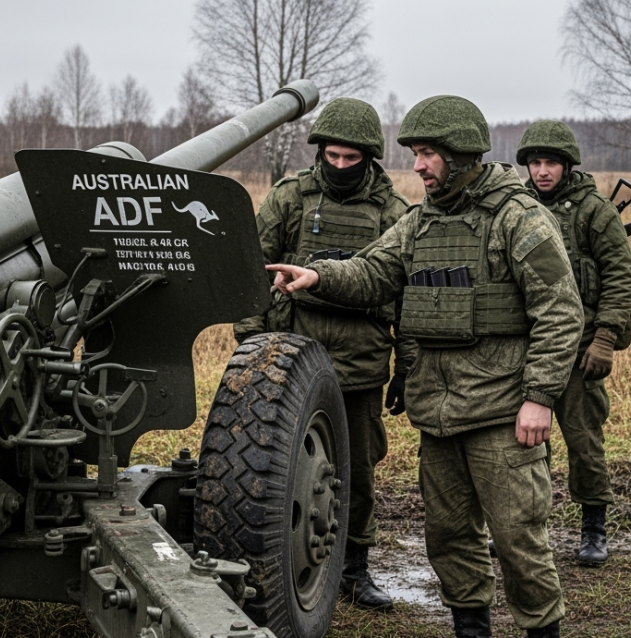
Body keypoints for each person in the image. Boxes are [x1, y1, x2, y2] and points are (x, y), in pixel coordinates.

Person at [266, 95, 582, 638]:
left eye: (428, 154)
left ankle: (542, 631)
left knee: (519, 542)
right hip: (438, 416)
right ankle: (471, 630)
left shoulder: (518, 218)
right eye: (415, 153)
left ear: (459, 155)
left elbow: (561, 310)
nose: (417, 165)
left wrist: (539, 397)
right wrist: (319, 276)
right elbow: (374, 272)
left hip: (502, 415)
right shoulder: (421, 223)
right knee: (449, 540)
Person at [232, 97, 412, 611]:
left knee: (355, 470)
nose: (338, 167)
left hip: (359, 366)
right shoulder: (290, 198)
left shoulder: (394, 213)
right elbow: (253, 271)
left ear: (370, 158)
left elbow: (408, 299)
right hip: (288, 363)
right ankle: (273, 560)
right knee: (275, 463)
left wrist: (406, 369)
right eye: (330, 156)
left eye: (349, 159)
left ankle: (355, 568)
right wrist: (251, 345)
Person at [516, 120, 631, 566]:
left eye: (550, 162)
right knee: (527, 444)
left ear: (567, 165)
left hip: (582, 347)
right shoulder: (519, 206)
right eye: (534, 162)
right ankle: (529, 526)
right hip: (531, 345)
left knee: (584, 442)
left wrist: (604, 338)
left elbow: (621, 277)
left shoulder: (594, 211)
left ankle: (594, 527)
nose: (542, 170)